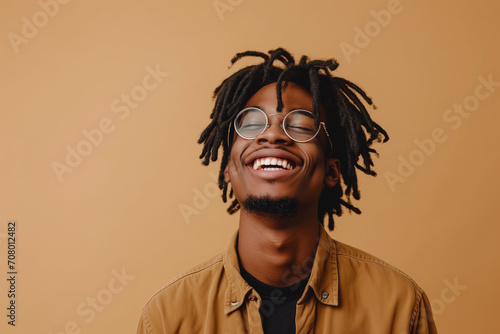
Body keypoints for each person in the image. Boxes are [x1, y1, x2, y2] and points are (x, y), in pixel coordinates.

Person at [137, 48, 438, 334]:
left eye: (301, 125)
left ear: (331, 171)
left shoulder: (399, 305)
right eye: (252, 123)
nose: (272, 134)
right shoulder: (168, 316)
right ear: (228, 168)